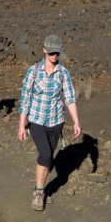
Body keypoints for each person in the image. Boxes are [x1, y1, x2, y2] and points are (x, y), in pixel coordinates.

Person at [18, 34, 81, 211]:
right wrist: (21, 125)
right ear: (44, 50)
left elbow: (70, 98)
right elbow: (25, 99)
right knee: (45, 155)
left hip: (56, 121)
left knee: (49, 157)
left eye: (57, 53)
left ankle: (41, 188)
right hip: (36, 120)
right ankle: (39, 193)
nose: (54, 56)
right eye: (51, 52)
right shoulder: (34, 71)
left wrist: (76, 122)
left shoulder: (63, 73)